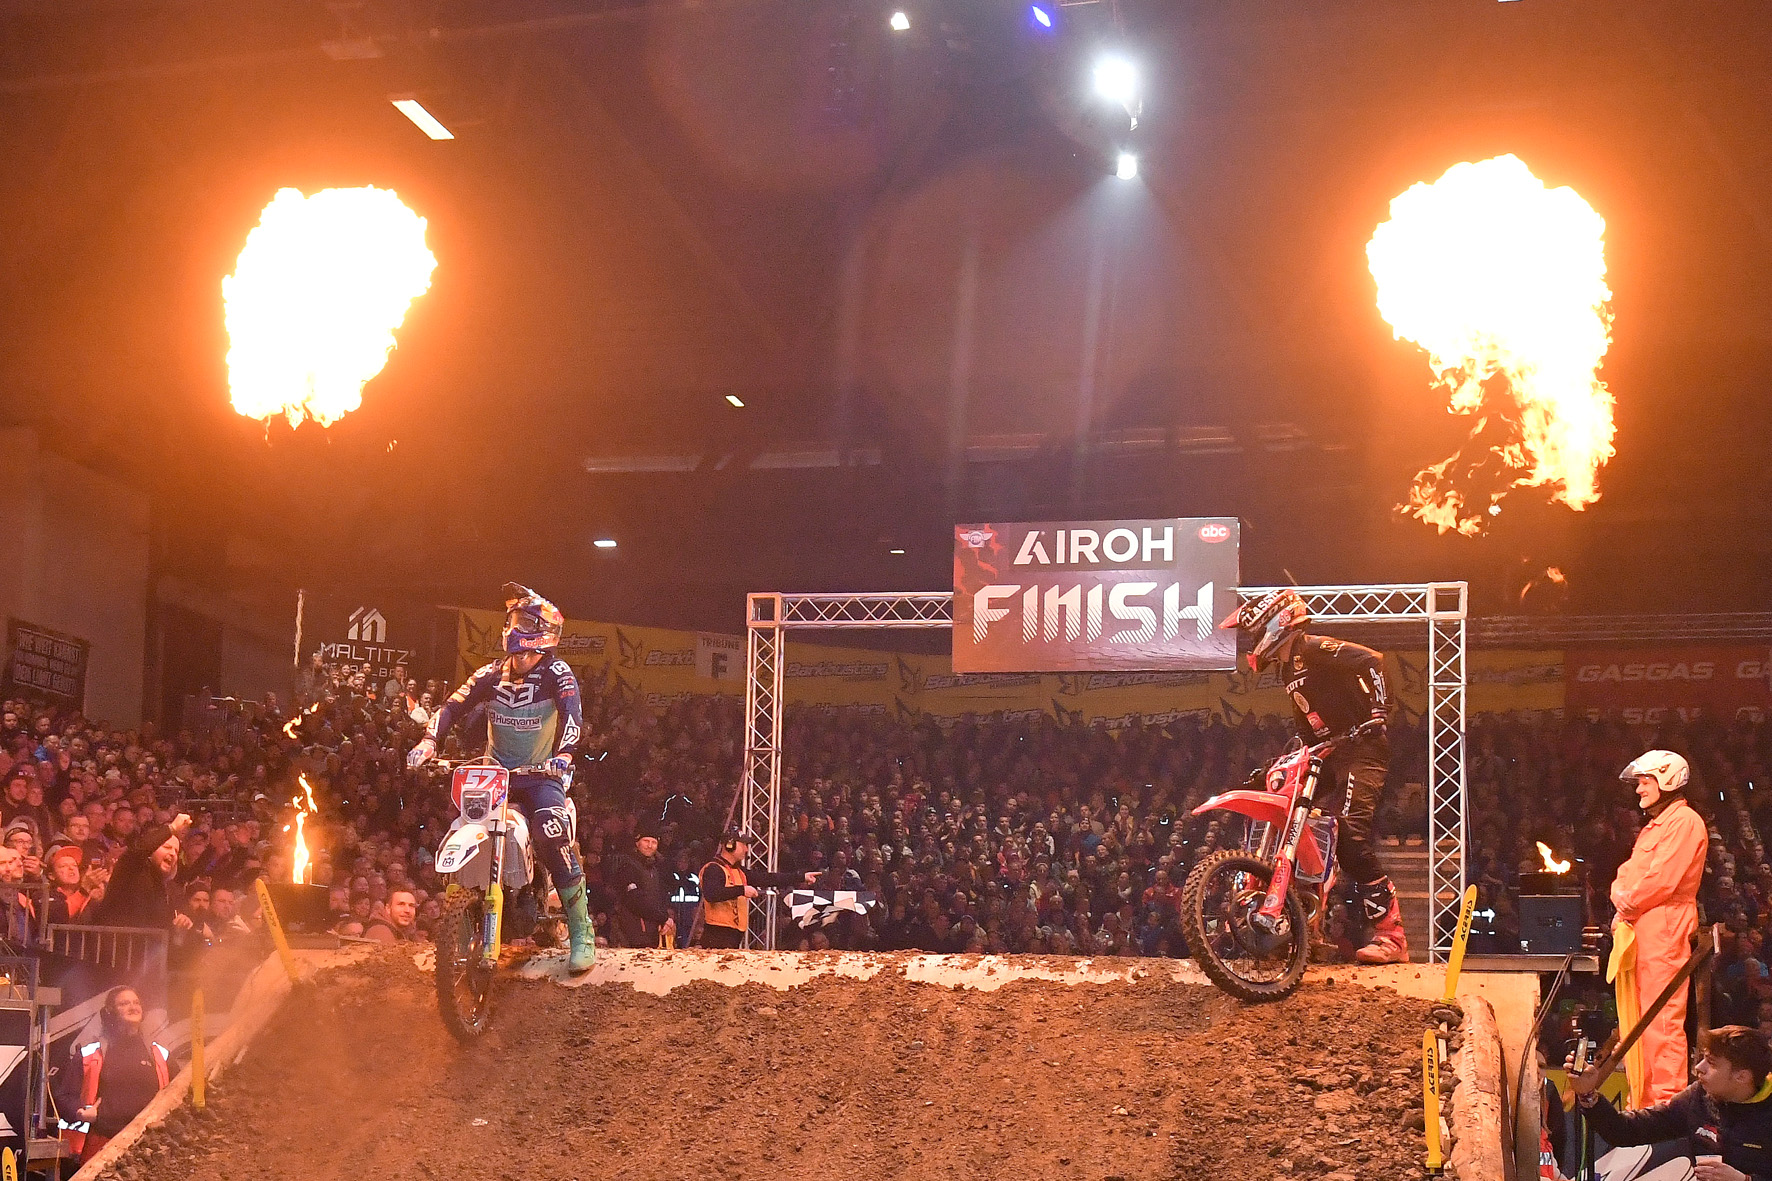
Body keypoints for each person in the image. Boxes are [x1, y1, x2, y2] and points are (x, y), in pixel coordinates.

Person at [408, 584, 596, 972]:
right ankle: (459, 926)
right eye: (511, 620)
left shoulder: (557, 674)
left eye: (523, 621)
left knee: (551, 830)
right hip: (495, 774)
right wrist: (429, 741)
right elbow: (451, 707)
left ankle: (581, 931)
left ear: (544, 630)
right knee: (464, 823)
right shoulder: (490, 673)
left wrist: (563, 755)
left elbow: (574, 718)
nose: (513, 627)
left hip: (541, 773)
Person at [1221, 588, 1402, 963]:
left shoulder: (1314, 648)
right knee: (1282, 811)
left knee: (1351, 836)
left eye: (1257, 633)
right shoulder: (1289, 669)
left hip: (1360, 749)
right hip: (1327, 754)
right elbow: (1310, 728)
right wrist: (1276, 766)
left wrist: (1378, 709)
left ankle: (1391, 935)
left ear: (1277, 623)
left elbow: (1371, 660)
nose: (1255, 642)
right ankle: (1298, 922)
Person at [1611, 749, 1708, 1107]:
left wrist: (1625, 902)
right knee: (1640, 1021)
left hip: (1665, 927)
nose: (1638, 789)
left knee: (1662, 1021)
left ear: (1667, 779)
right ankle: (1645, 1103)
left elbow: (1660, 881)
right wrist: (1623, 899)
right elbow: (1626, 876)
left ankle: (1665, 1107)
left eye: (1644, 780)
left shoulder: (1684, 822)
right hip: (1646, 927)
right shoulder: (1658, 825)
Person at [1568, 1025, 1772, 1181]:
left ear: (1742, 1077)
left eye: (1711, 1063)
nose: (1699, 1068)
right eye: (1702, 1058)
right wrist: (1587, 1094)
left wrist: (1744, 1180)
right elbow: (1625, 1131)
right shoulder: (1697, 1097)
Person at [61, 987, 171, 1164]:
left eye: (136, 1002)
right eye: (124, 1003)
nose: (133, 1007)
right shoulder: (90, 1053)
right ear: (110, 1012)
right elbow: (64, 1097)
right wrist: (82, 1112)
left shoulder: (159, 1055)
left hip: (150, 1150)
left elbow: (179, 1094)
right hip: (103, 1146)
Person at [697, 827, 816, 949]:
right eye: (743, 844)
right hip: (717, 933)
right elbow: (712, 894)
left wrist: (801, 876)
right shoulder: (713, 869)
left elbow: (766, 878)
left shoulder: (738, 871)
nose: (746, 849)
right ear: (730, 845)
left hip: (732, 933)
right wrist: (742, 890)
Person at [609, 820, 675, 948]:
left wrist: (665, 918)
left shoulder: (655, 868)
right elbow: (634, 900)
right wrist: (663, 918)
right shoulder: (627, 866)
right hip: (632, 934)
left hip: (653, 932)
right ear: (637, 843)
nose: (650, 846)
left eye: (654, 842)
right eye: (646, 841)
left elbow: (659, 898)